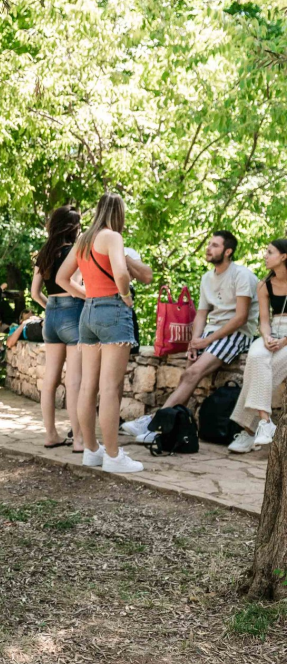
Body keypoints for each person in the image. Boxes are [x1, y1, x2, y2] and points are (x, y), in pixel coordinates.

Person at [123, 231, 258, 441]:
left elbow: (240, 318)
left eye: (215, 245)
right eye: (209, 244)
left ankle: (154, 424)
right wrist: (194, 342)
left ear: (228, 251)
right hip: (210, 333)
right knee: (188, 376)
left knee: (193, 373)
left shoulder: (242, 275)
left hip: (235, 333)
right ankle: (166, 426)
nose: (209, 248)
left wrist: (207, 341)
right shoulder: (207, 278)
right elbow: (202, 313)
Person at [56, 192, 144, 473]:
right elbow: (120, 272)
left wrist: (87, 296)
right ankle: (114, 456)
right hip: (113, 311)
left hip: (88, 313)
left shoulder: (83, 240)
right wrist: (126, 296)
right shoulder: (112, 237)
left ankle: (91, 450)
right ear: (119, 212)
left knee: (87, 386)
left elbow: (61, 278)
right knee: (109, 389)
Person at [31, 205, 85, 451]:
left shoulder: (44, 252)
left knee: (50, 379)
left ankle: (51, 435)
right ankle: (80, 441)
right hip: (73, 311)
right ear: (73, 227)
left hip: (50, 316)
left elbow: (35, 293)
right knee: (74, 381)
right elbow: (77, 284)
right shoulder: (76, 250)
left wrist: (50, 308)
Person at [229, 240, 287, 453]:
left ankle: (249, 430)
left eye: (270, 252)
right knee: (255, 356)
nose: (265, 255)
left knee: (265, 372)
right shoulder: (264, 284)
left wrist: (284, 341)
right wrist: (266, 336)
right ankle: (265, 422)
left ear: (283, 257)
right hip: (273, 331)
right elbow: (264, 320)